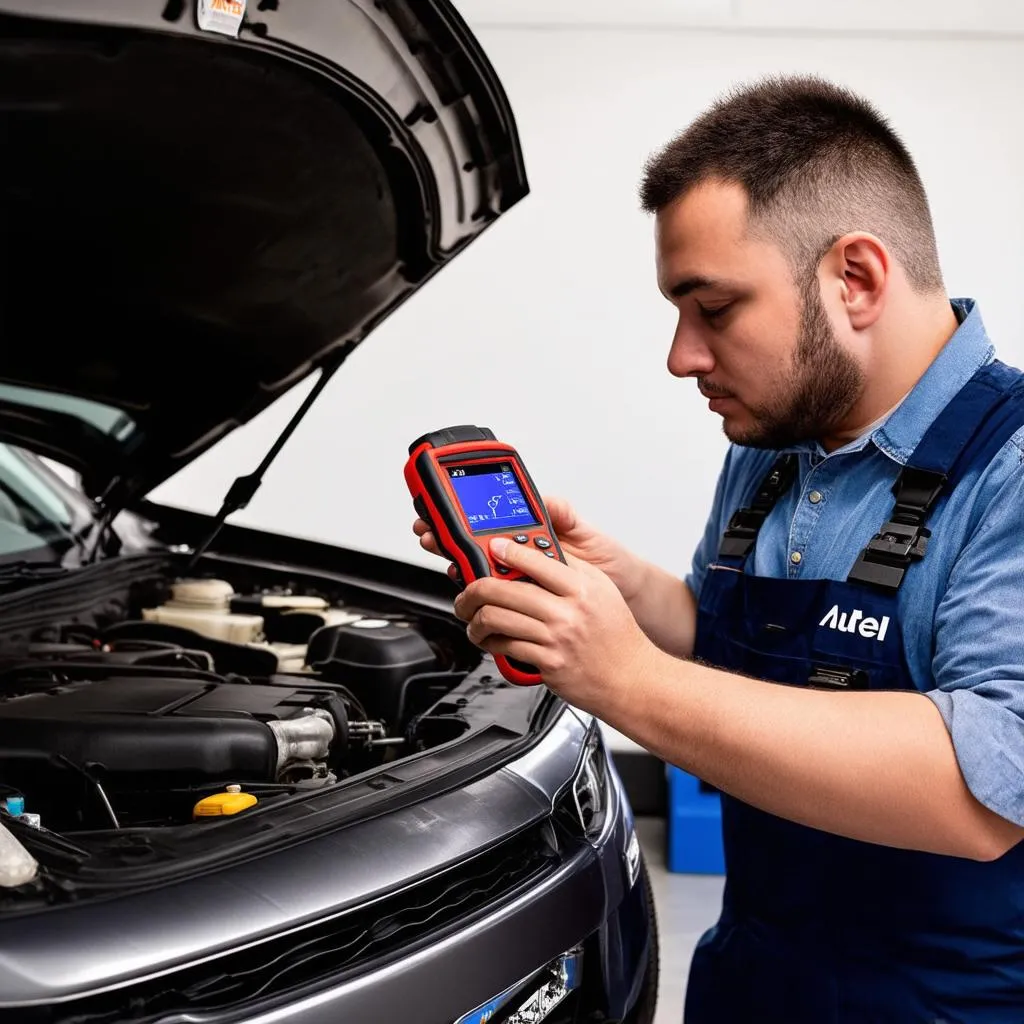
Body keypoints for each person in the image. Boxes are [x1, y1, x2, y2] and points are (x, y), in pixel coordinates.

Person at [412, 74, 1024, 1022]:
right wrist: (626, 589)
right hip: (753, 977)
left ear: (855, 279)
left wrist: (624, 681)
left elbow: (983, 792)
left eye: (715, 307)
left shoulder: (1012, 467)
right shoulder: (776, 446)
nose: (681, 355)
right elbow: (730, 646)